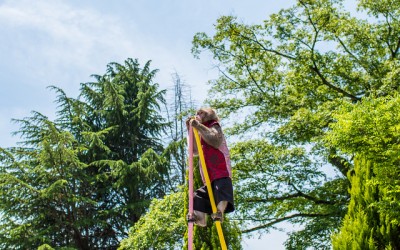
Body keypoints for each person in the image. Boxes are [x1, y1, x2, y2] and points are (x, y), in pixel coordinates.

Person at [186, 107, 234, 227]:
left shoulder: (214, 125)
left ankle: (219, 212)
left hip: (221, 171)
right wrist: (190, 129)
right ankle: (200, 219)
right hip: (208, 176)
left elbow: (215, 141)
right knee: (197, 196)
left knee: (221, 191)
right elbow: (194, 151)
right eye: (197, 113)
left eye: (201, 113)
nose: (198, 114)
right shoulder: (201, 132)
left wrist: (198, 126)